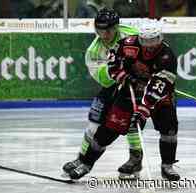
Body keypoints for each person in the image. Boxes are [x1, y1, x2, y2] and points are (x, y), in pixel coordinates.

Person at [63, 18, 180, 181]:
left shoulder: (167, 57)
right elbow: (112, 65)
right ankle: (86, 163)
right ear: (140, 38)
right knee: (109, 128)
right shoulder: (127, 44)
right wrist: (122, 75)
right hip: (129, 90)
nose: (149, 45)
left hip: (159, 95)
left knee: (169, 128)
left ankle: (167, 166)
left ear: (160, 38)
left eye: (153, 40)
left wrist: (143, 110)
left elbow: (156, 88)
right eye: (145, 40)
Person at [62, 8, 144, 180]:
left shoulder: (133, 35)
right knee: (93, 124)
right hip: (112, 86)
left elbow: (149, 56)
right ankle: (82, 158)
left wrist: (140, 74)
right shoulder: (93, 51)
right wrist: (117, 72)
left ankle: (135, 159)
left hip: (135, 86)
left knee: (131, 123)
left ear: (116, 26)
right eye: (99, 30)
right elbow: (105, 80)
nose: (104, 34)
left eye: (108, 29)